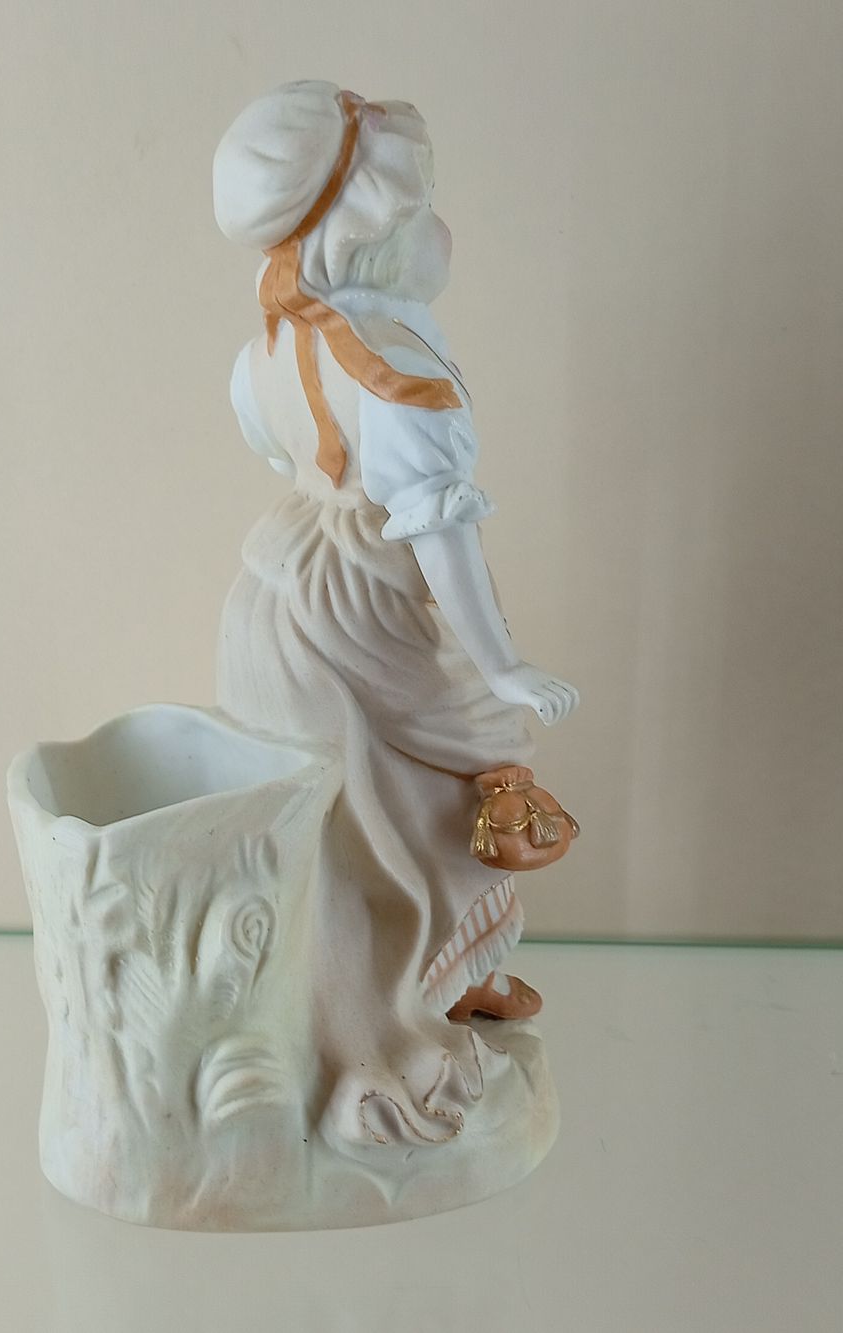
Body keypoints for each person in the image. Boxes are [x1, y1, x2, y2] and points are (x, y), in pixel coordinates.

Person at [213, 81, 579, 1149]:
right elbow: (438, 538)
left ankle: (444, 981)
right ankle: (389, 1026)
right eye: (421, 211)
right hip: (352, 609)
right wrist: (501, 663)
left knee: (353, 812)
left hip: (271, 593)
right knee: (456, 771)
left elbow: (293, 463)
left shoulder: (266, 352)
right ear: (368, 232)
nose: (441, 233)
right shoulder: (397, 371)